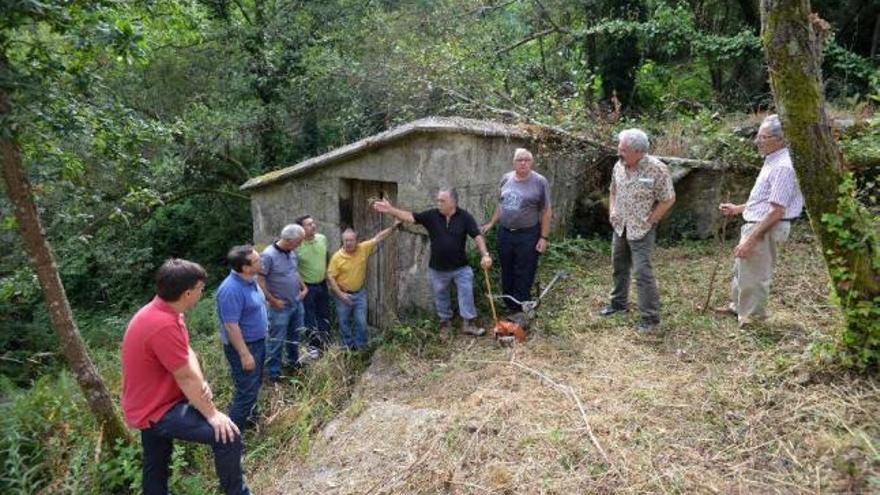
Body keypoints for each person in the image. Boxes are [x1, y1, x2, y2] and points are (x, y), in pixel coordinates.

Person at [121, 259, 250, 495]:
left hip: (148, 404)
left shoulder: (165, 310)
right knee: (228, 435)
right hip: (157, 409)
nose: (203, 292)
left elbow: (187, 353)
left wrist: (200, 381)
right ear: (188, 293)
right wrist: (212, 415)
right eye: (201, 288)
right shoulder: (162, 324)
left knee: (156, 466)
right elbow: (184, 377)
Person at [717, 114, 804, 328]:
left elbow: (776, 211)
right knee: (743, 270)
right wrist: (739, 209)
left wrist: (750, 240)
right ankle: (738, 308)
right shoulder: (772, 160)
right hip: (758, 224)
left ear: (781, 139)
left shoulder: (783, 166)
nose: (758, 141)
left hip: (766, 227)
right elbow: (766, 201)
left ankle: (753, 319)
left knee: (755, 275)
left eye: (763, 137)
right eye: (758, 136)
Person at [373, 188, 493, 338]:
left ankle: (468, 324)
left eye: (442, 201)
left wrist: (485, 255)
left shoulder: (465, 217)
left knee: (466, 293)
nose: (439, 203)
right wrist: (391, 210)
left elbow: (477, 236)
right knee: (440, 296)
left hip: (461, 267)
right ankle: (445, 324)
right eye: (438, 200)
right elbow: (410, 217)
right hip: (438, 269)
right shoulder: (432, 216)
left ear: (453, 202)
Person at [600, 128, 676, 333]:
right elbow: (613, 190)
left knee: (643, 273)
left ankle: (650, 319)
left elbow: (668, 198)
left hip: (642, 230)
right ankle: (618, 305)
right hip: (620, 226)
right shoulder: (619, 165)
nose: (619, 151)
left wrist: (652, 219)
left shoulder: (657, 169)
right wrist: (612, 210)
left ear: (638, 151)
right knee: (618, 266)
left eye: (623, 149)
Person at [481, 148, 552, 312]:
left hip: (527, 234)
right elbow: (501, 204)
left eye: (527, 160)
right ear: (513, 163)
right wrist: (491, 223)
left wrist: (544, 237)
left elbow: (547, 211)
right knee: (507, 268)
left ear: (532, 163)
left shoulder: (540, 182)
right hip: (505, 233)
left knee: (525, 269)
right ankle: (509, 303)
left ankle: (521, 305)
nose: (523, 163)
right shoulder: (506, 178)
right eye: (520, 160)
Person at [216, 245, 269, 429]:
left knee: (254, 385)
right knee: (246, 392)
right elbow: (231, 326)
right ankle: (232, 437)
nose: (261, 260)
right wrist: (245, 354)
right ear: (245, 268)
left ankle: (251, 421)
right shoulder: (230, 290)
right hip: (245, 347)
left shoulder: (251, 280)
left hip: (258, 343)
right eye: (256, 260)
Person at [326, 221, 401, 349]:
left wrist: (393, 227)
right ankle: (347, 347)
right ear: (342, 241)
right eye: (345, 241)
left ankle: (361, 347)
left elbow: (378, 237)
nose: (348, 243)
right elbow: (330, 277)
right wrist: (341, 295)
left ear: (357, 240)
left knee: (361, 322)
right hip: (342, 295)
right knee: (343, 323)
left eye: (351, 240)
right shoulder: (337, 257)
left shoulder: (363, 248)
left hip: (359, 294)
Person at [258, 224, 308, 382]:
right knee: (276, 341)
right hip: (279, 307)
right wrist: (272, 300)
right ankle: (274, 373)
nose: (300, 244)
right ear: (288, 240)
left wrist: (304, 287)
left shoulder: (292, 252)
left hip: (296, 302)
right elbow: (259, 280)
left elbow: (293, 271)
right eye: (298, 241)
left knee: (295, 335)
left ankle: (293, 364)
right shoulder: (268, 255)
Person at [296, 215, 331, 356]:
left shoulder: (322, 238)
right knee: (309, 318)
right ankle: (314, 348)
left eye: (313, 223)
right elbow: (293, 269)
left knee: (324, 314)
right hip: (307, 288)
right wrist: (303, 287)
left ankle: (326, 343)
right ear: (301, 229)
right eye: (309, 224)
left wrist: (328, 275)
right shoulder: (297, 246)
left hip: (322, 284)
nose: (313, 225)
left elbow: (326, 256)